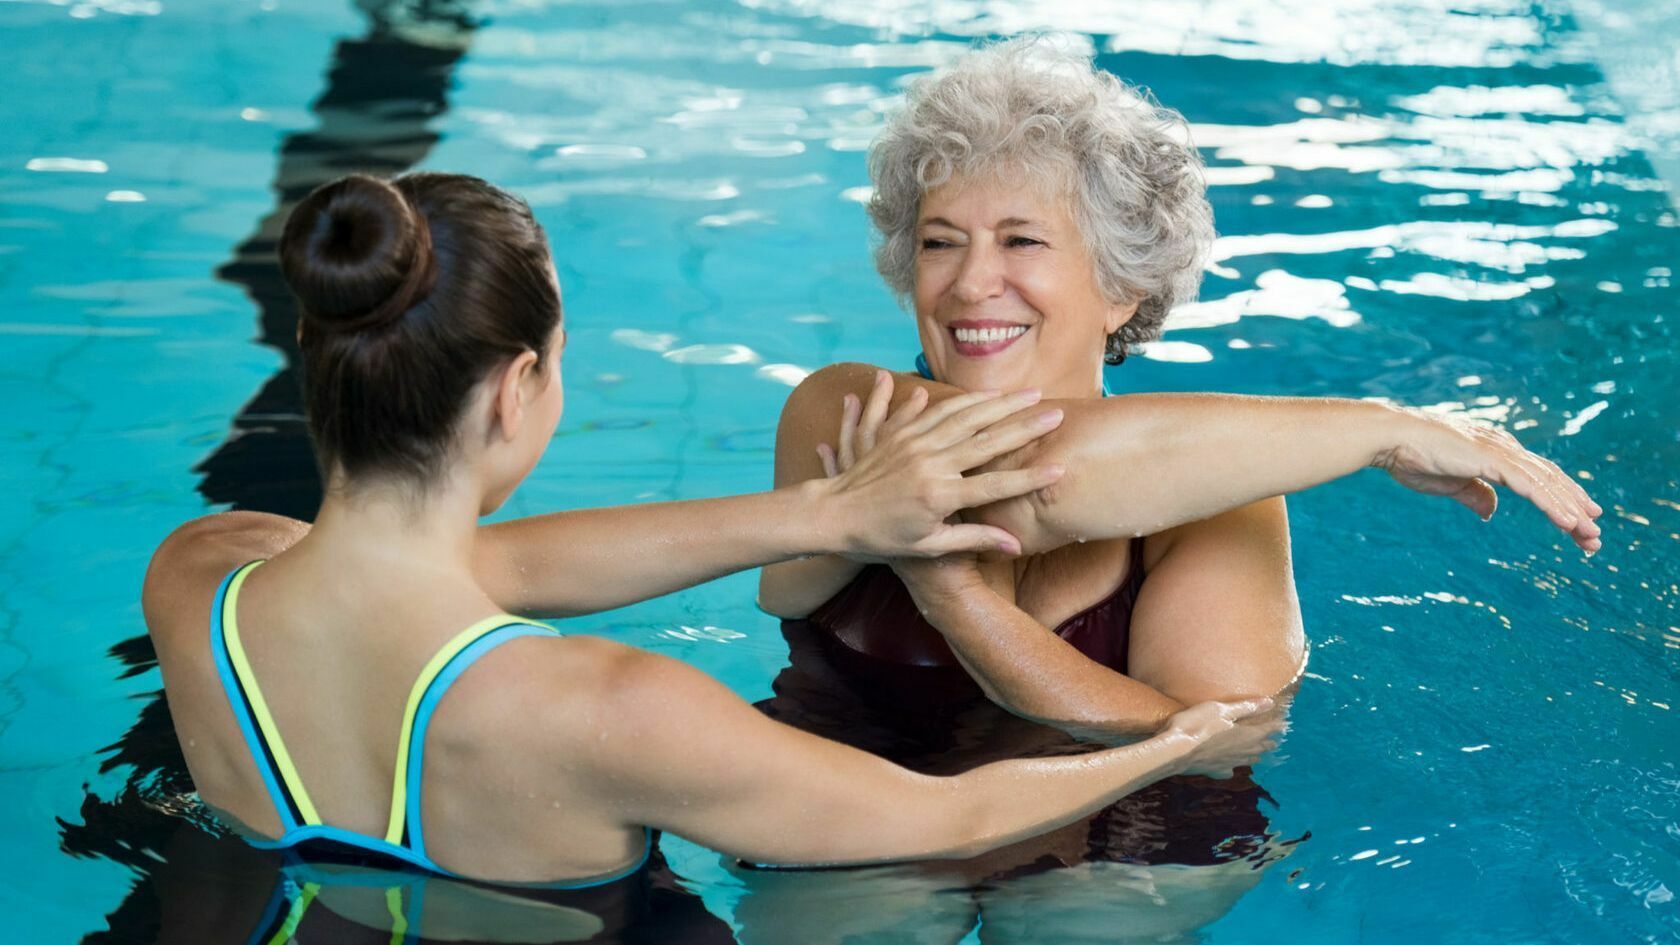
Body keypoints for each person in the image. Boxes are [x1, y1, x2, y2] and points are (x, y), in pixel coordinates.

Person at [141, 171, 1274, 894]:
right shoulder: (613, 712)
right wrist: (1179, 740)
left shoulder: (200, 579)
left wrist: (824, 518)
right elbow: (957, 815)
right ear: (516, 391)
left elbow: (468, 568)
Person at [747, 37, 1601, 935]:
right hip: (864, 798)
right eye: (940, 242)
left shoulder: (1225, 493)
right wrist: (1383, 430)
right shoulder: (843, 415)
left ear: (1119, 290)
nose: (971, 282)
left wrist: (961, 604)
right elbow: (1026, 480)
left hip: (1127, 835)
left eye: (1022, 240)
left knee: (1087, 923)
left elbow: (1223, 737)